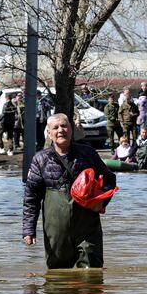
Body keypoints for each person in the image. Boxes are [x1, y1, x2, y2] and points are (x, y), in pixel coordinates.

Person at [22, 113, 117, 269]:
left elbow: (109, 179)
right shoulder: (40, 159)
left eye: (64, 126)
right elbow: (31, 198)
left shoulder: (87, 153)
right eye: (56, 127)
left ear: (71, 130)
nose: (61, 130)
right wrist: (28, 230)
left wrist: (101, 201)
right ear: (49, 133)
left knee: (91, 274)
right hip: (56, 230)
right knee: (58, 278)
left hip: (87, 226)